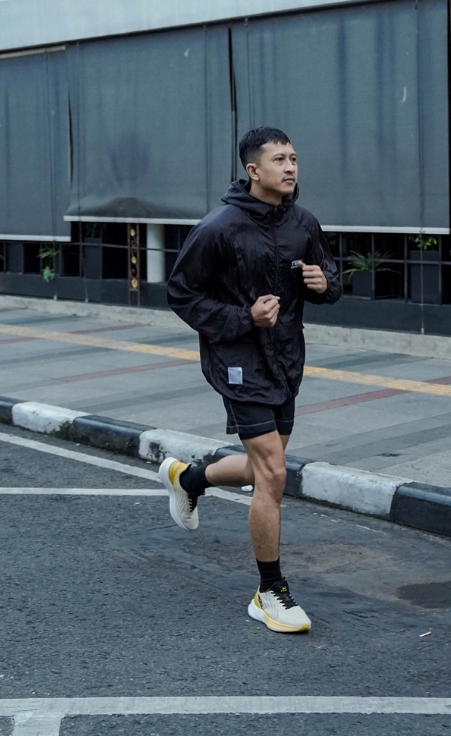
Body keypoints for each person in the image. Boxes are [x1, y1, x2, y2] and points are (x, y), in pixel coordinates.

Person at [160, 126, 342, 633]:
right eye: (279, 159)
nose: (290, 167)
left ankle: (188, 478)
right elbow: (181, 294)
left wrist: (324, 283)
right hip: (237, 359)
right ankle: (269, 592)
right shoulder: (219, 228)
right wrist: (245, 318)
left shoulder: (304, 222)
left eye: (294, 158)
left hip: (286, 360)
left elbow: (330, 277)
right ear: (253, 169)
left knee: (266, 469)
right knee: (274, 473)